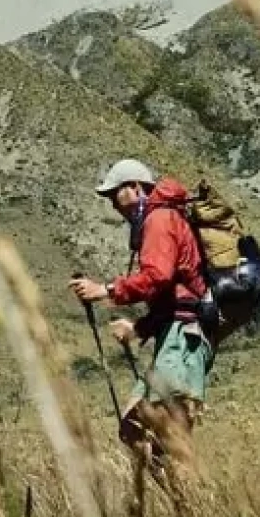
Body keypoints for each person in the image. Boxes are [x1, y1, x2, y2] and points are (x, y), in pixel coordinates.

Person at [68, 158, 214, 474]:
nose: (113, 203)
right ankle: (188, 502)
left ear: (135, 187)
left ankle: (195, 500)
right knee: (134, 429)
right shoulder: (163, 218)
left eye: (115, 193)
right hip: (175, 335)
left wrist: (105, 290)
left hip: (181, 340)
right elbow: (169, 294)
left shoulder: (159, 219)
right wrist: (139, 328)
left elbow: (157, 276)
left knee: (168, 440)